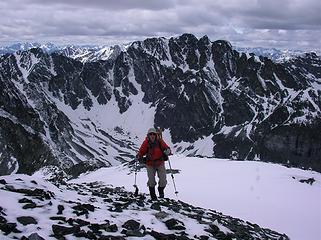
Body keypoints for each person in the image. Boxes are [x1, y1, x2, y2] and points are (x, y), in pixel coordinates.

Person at [136, 127, 171, 200]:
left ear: (155, 135)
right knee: (151, 181)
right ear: (148, 135)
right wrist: (139, 155)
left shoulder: (159, 141)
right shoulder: (146, 142)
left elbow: (166, 148)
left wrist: (167, 151)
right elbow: (141, 151)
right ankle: (153, 195)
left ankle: (160, 190)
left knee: (163, 180)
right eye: (150, 134)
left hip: (160, 162)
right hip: (150, 164)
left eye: (153, 134)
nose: (152, 135)